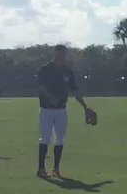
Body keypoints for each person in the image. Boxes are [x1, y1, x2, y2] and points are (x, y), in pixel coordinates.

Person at [36, 45, 94, 179]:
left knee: (60, 139)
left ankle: (56, 168)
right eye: (60, 53)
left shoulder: (67, 71)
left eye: (64, 54)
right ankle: (41, 169)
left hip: (61, 109)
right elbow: (40, 87)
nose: (62, 56)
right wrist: (51, 98)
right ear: (55, 53)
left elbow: (74, 91)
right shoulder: (45, 69)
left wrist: (85, 106)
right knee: (45, 138)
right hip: (46, 109)